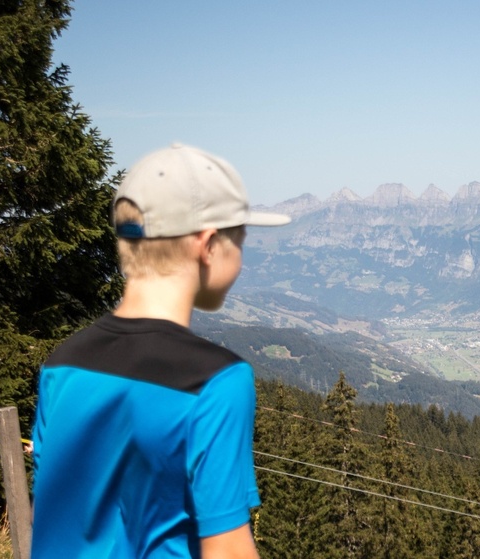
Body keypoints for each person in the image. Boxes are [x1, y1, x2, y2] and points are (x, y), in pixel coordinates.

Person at [31, 144, 290, 558]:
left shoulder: (60, 365)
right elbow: (227, 550)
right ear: (207, 245)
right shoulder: (216, 383)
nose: (242, 255)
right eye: (239, 239)